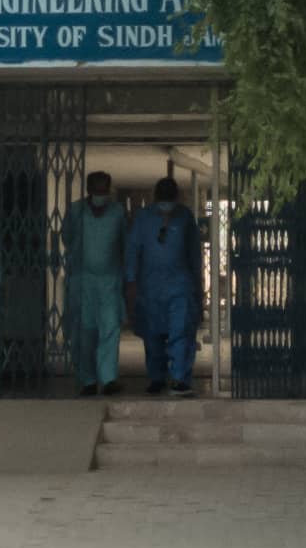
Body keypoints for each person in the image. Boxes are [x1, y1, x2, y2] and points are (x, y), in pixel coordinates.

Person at [126, 174, 204, 397]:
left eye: (170, 199)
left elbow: (194, 254)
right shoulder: (144, 218)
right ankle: (156, 377)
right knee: (153, 335)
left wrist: (198, 288)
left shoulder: (185, 218)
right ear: (156, 197)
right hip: (150, 287)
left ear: (176, 198)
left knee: (181, 331)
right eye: (163, 199)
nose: (166, 204)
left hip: (180, 286)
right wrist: (130, 280)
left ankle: (180, 379)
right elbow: (133, 250)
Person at [62, 170, 127, 395]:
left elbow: (123, 242)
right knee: (84, 332)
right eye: (97, 190)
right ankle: (87, 379)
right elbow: (66, 237)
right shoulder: (75, 211)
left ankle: (108, 379)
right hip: (83, 281)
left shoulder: (117, 212)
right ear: (89, 190)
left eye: (104, 190)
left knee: (110, 328)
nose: (101, 195)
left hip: (109, 281)